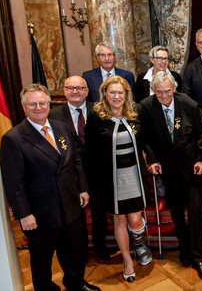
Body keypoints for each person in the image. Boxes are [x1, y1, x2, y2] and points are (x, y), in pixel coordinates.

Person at [0, 84, 100, 291]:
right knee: (41, 259)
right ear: (24, 107)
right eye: (33, 104)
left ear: (49, 104)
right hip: (40, 213)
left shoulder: (60, 127)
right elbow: (13, 182)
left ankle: (76, 283)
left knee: (73, 250)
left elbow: (75, 161)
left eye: (42, 103)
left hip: (70, 204)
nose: (38, 107)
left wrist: (82, 188)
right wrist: (24, 214)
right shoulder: (13, 138)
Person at [140, 72, 202, 280]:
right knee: (177, 211)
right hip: (168, 169)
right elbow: (145, 138)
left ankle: (197, 256)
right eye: (159, 92)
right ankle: (184, 247)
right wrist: (152, 160)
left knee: (196, 211)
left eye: (167, 91)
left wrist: (201, 160)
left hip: (191, 167)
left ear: (174, 89)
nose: (163, 96)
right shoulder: (146, 106)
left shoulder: (188, 103)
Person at [84, 76, 152, 283]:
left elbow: (146, 142)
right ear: (105, 93)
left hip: (134, 174)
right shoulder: (96, 116)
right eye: (112, 92)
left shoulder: (136, 112)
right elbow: (91, 149)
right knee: (119, 219)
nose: (116, 96)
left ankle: (139, 242)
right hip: (111, 178)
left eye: (120, 92)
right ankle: (127, 260)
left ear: (126, 94)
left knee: (135, 218)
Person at [48, 76, 111, 262]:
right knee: (76, 214)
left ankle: (100, 245)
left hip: (97, 170)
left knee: (99, 212)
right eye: (70, 88)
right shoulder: (53, 115)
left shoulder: (99, 111)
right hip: (69, 173)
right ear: (65, 91)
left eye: (79, 88)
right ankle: (80, 249)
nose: (75, 91)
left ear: (86, 91)